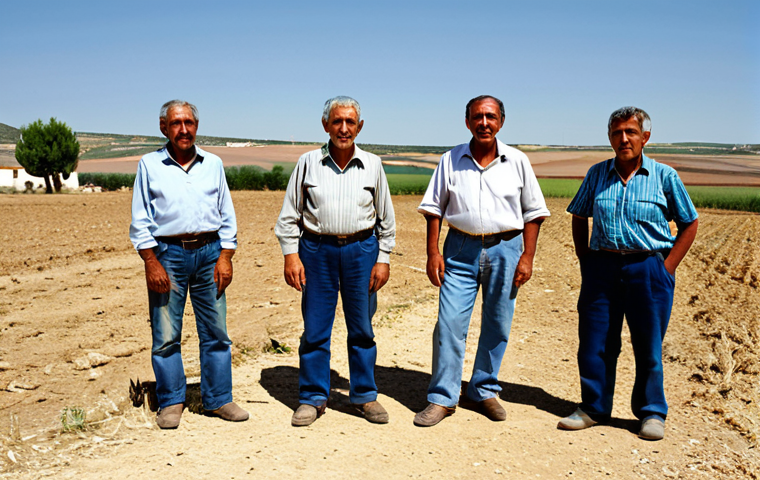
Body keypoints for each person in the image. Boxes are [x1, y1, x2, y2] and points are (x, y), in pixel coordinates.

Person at [558, 106, 698, 441]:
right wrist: (585, 258)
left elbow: (689, 222)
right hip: (602, 267)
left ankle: (651, 413)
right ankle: (593, 408)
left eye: (630, 133)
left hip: (648, 268)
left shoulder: (664, 176)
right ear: (609, 138)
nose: (624, 139)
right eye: (617, 133)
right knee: (595, 343)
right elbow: (579, 214)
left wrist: (666, 268)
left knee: (648, 345)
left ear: (645, 137)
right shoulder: (597, 174)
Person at [414, 95, 550, 427]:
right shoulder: (451, 160)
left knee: (497, 322)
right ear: (467, 122)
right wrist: (433, 252)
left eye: (490, 116)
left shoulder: (517, 161)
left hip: (507, 248)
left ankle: (483, 389)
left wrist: (527, 257)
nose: (484, 123)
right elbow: (434, 209)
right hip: (460, 250)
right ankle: (442, 398)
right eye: (477, 117)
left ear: (500, 121)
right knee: (449, 324)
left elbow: (534, 213)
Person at [275, 96, 396, 426]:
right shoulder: (308, 163)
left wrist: (382, 259)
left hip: (361, 251)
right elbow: (289, 217)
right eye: (337, 121)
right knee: (315, 329)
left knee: (362, 329)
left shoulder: (372, 164)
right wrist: (291, 255)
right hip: (316, 252)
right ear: (326, 125)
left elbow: (386, 218)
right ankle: (313, 398)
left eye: (350, 122)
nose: (344, 128)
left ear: (360, 126)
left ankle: (364, 396)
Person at [130, 100, 249, 429]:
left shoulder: (213, 164)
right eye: (176, 123)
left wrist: (226, 256)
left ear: (196, 126)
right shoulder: (149, 165)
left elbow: (227, 214)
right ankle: (171, 401)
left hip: (210, 252)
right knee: (166, 334)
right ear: (163, 127)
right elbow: (140, 221)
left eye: (189, 123)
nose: (183, 129)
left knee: (216, 332)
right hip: (168, 255)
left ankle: (218, 399)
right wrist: (151, 262)